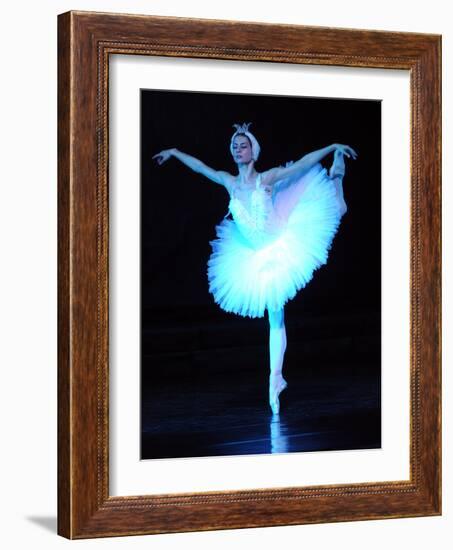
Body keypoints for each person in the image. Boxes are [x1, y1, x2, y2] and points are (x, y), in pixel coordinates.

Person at [153, 122, 357, 415]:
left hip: (284, 240)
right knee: (275, 318)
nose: (238, 150)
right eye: (235, 146)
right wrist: (174, 151)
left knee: (338, 209)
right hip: (255, 255)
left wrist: (332, 147)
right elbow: (200, 167)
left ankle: (337, 174)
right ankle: (276, 378)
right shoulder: (228, 181)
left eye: (243, 145)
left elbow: (301, 164)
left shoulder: (268, 177)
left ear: (253, 151)